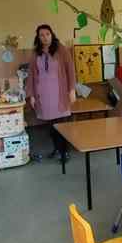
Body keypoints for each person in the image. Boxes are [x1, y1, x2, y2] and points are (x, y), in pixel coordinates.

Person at [25, 24, 76, 162]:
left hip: (59, 94)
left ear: (52, 35)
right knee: (51, 126)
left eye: (47, 34)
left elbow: (70, 70)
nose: (45, 37)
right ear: (38, 37)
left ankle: (64, 152)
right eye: (42, 35)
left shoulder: (61, 50)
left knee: (62, 125)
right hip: (43, 95)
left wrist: (72, 90)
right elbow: (31, 75)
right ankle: (56, 149)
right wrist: (31, 95)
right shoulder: (35, 53)